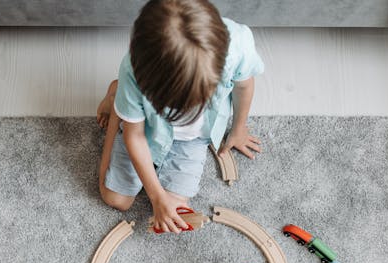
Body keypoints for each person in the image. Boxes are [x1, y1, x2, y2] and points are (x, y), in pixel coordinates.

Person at [96, 0, 264, 233]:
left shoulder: (237, 44)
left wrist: (239, 128)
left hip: (195, 138)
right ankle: (118, 107)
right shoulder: (133, 71)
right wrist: (155, 196)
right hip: (147, 131)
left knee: (177, 206)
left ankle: (123, 105)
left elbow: (244, 86)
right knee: (116, 200)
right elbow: (134, 137)